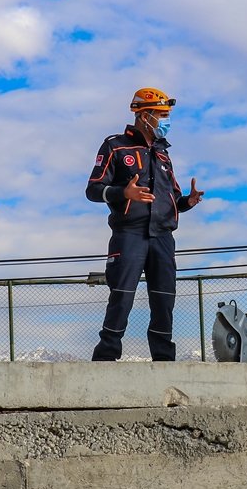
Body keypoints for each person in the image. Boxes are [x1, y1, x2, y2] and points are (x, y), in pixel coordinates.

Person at [85, 87, 203, 361]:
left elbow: (172, 198)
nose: (166, 121)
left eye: (168, 115)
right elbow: (92, 190)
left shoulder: (163, 154)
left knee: (164, 300)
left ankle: (164, 360)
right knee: (122, 297)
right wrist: (122, 193)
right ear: (144, 115)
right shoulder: (115, 146)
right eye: (162, 115)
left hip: (163, 237)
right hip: (129, 235)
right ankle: (105, 357)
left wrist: (188, 201)